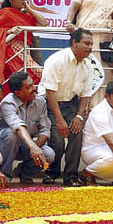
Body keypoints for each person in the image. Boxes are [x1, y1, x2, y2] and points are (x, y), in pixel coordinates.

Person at [38, 28, 94, 187]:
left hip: (71, 104)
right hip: (50, 103)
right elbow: (50, 93)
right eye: (87, 43)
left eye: (92, 44)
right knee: (57, 140)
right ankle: (51, 173)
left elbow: (86, 95)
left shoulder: (88, 66)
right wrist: (60, 120)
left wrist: (79, 116)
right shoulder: (57, 60)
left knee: (77, 134)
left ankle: (71, 176)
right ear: (74, 42)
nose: (90, 48)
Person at [65, 0, 113, 107]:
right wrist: (69, 22)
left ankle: (97, 106)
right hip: (83, 37)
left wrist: (111, 24)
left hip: (102, 39)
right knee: (81, 68)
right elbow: (73, 8)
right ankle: (80, 106)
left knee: (99, 71)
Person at [0, 72, 54, 183]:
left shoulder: (40, 102)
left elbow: (45, 130)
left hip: (27, 144)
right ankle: (4, 176)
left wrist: (35, 147)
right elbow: (18, 127)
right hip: (3, 144)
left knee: (49, 154)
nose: (34, 89)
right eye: (29, 87)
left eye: (33, 84)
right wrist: (33, 147)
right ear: (18, 93)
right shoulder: (7, 103)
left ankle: (24, 172)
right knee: (11, 134)